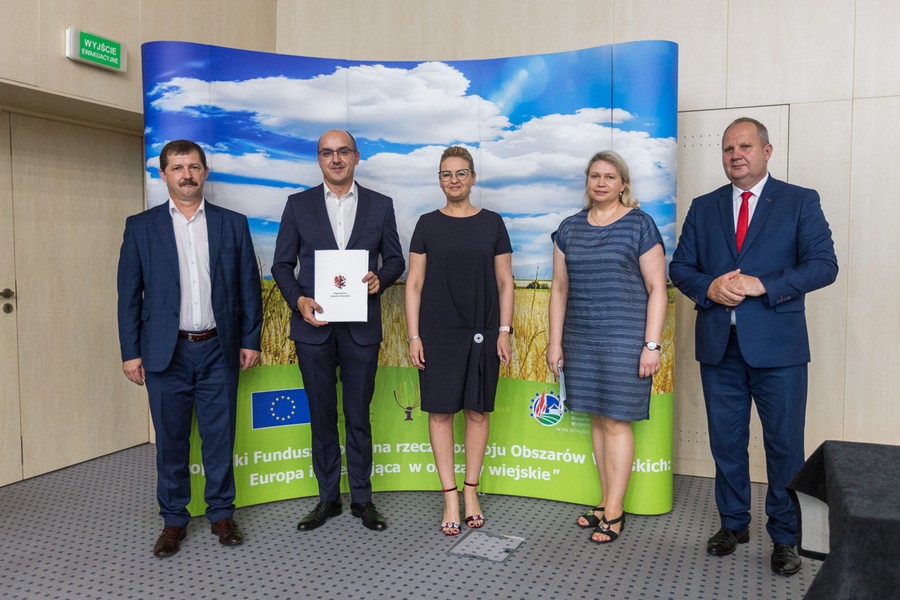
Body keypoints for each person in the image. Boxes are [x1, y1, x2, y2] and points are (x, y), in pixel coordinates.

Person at [669, 117, 838, 576]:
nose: (735, 155)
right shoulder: (704, 207)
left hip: (779, 351)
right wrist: (709, 288)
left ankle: (784, 536)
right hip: (719, 347)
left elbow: (824, 265)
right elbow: (680, 268)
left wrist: (764, 284)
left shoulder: (799, 201)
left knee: (784, 446)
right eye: (728, 149)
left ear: (766, 151)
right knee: (726, 443)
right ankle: (733, 524)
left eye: (744, 146)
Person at [117, 139, 263, 558]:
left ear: (204, 172)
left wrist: (250, 339)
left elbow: (248, 288)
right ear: (163, 174)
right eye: (178, 168)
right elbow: (129, 295)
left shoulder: (232, 224)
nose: (187, 175)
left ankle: (221, 513)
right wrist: (130, 351)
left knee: (220, 438)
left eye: (194, 167)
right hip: (166, 353)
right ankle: (174, 520)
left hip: (219, 349)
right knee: (171, 441)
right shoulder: (141, 227)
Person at [271, 129, 404, 532]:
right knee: (322, 417)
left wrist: (381, 278)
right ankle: (327, 499)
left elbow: (395, 259)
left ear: (356, 157)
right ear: (319, 159)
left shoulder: (381, 205)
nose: (336, 159)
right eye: (327, 152)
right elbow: (281, 265)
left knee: (358, 416)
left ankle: (362, 499)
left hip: (361, 329)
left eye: (343, 151)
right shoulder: (298, 205)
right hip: (313, 328)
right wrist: (298, 300)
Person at [547, 150, 666, 544]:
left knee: (616, 422)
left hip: (625, 339)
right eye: (595, 176)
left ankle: (615, 510)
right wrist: (554, 341)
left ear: (623, 184)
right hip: (581, 339)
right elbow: (559, 289)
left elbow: (657, 288)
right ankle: (604, 500)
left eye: (610, 177)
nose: (601, 183)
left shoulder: (640, 224)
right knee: (598, 420)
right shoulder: (569, 228)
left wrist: (652, 345)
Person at [405, 146, 514, 536]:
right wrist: (414, 336)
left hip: (483, 331)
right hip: (437, 333)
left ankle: (471, 492)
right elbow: (414, 284)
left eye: (461, 173)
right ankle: (450, 496)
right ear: (439, 179)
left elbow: (505, 282)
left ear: (473, 177)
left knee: (477, 412)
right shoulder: (426, 224)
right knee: (439, 414)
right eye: (446, 174)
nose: (454, 180)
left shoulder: (493, 223)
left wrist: (504, 330)